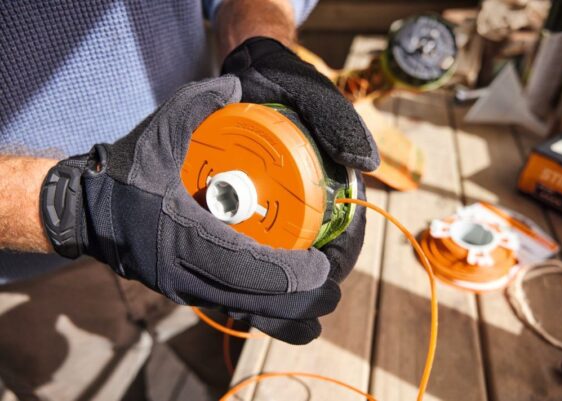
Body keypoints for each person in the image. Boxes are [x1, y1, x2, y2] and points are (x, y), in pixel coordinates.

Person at [0, 0, 380, 399]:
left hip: (201, 222)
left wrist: (260, 44)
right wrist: (74, 204)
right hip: (30, 271)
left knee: (233, 367)